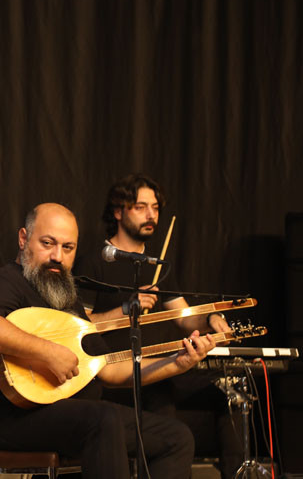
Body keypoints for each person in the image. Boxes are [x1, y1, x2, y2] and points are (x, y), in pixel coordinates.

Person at [0, 203, 214, 478]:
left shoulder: (64, 297)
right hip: (6, 418)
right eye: (47, 243)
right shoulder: (5, 282)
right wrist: (48, 352)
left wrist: (178, 363)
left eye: (68, 248)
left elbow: (109, 370)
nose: (57, 256)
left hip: (65, 412)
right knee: (102, 420)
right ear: (23, 239)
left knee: (176, 437)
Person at [73, 173, 240, 477]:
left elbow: (184, 317)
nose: (151, 215)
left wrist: (211, 319)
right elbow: (78, 327)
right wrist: (126, 309)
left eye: (155, 208)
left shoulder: (156, 266)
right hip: (112, 376)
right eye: (140, 207)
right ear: (118, 212)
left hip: (154, 371)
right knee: (164, 411)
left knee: (230, 398)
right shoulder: (93, 263)